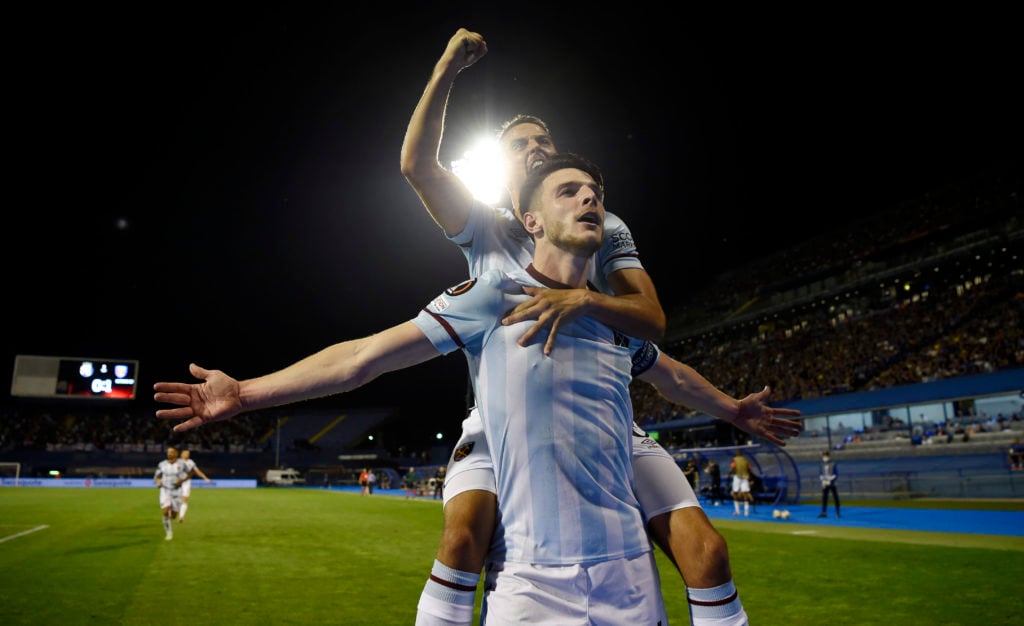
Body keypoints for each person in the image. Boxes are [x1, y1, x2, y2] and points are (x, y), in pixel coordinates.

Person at [155, 154, 673, 622]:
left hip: (632, 580)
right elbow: (362, 358)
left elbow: (670, 368)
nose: (590, 198)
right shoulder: (496, 295)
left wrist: (735, 409)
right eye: (569, 190)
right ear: (530, 221)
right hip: (532, 585)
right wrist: (245, 393)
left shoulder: (620, 319)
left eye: (596, 194)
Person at [401, 28, 802, 626]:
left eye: (545, 138)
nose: (536, 146)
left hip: (599, 405)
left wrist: (580, 301)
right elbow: (416, 165)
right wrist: (446, 70)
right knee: (463, 540)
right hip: (503, 414)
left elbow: (649, 324)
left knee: (707, 549)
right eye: (520, 143)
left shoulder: (602, 223)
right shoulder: (482, 226)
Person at [154, 446, 187, 541]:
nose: (169, 454)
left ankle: (169, 520)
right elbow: (157, 476)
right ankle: (169, 533)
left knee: (173, 515)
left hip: (177, 492)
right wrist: (158, 482)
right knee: (165, 511)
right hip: (165, 491)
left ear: (176, 454)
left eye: (171, 452)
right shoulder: (162, 464)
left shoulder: (181, 464)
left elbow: (188, 474)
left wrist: (182, 480)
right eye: (168, 452)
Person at [178, 449, 211, 523]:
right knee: (176, 499)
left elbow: (197, 471)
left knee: (185, 499)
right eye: (186, 453)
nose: (187, 455)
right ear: (181, 454)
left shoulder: (191, 462)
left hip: (186, 482)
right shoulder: (177, 462)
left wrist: (205, 478)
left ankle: (181, 516)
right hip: (177, 482)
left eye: (188, 453)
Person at [729, 450, 753, 517]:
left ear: (736, 455)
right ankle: (746, 512)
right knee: (745, 494)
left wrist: (729, 473)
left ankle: (737, 511)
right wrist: (749, 476)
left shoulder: (735, 459)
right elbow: (749, 468)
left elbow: (733, 467)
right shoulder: (746, 460)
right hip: (745, 477)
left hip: (737, 477)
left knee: (735, 493)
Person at [819, 451, 841, 518]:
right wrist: (822, 479)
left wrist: (830, 479)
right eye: (823, 456)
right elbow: (820, 473)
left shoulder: (833, 464)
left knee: (835, 497)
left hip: (832, 483)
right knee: (824, 498)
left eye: (825, 456)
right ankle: (824, 512)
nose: (824, 458)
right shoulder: (822, 464)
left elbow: (836, 474)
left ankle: (837, 512)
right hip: (825, 483)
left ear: (828, 456)